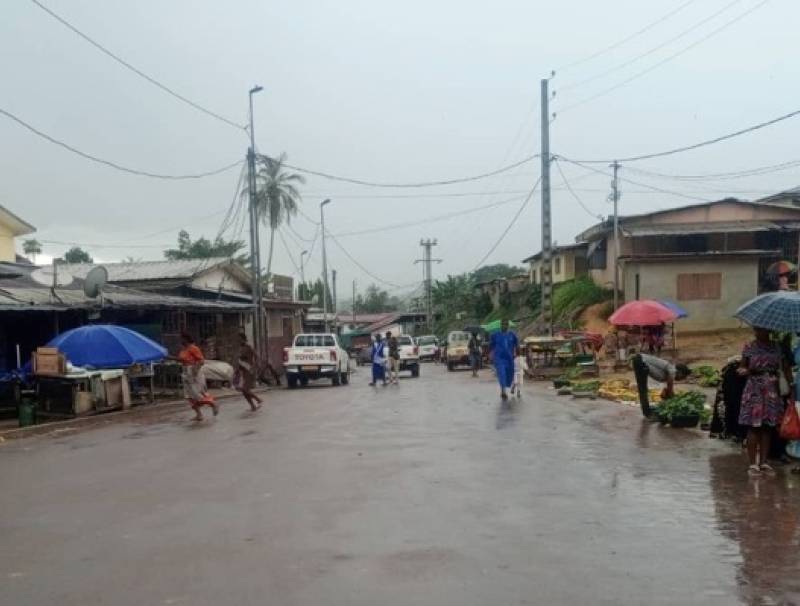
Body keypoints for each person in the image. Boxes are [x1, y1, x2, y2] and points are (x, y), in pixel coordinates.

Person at [738, 327, 791, 477]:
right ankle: (752, 464)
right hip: (754, 388)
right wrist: (743, 370)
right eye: (757, 330)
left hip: (772, 389)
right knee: (753, 426)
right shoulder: (749, 347)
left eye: (762, 330)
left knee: (768, 426)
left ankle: (764, 462)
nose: (759, 332)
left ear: (769, 330)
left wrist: (790, 387)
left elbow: (785, 368)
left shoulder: (777, 347)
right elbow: (742, 366)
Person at [632, 353, 691, 418]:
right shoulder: (673, 370)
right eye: (683, 377)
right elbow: (670, 385)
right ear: (680, 372)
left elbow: (667, 387)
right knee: (643, 390)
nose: (681, 379)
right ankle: (648, 413)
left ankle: (647, 411)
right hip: (641, 361)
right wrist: (673, 398)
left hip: (640, 361)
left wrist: (667, 393)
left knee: (643, 390)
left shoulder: (669, 371)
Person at [178, 332, 218, 421]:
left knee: (198, 393)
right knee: (189, 395)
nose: (180, 341)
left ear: (186, 339)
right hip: (185, 372)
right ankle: (199, 414)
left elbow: (201, 360)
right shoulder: (183, 350)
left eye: (182, 338)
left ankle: (212, 403)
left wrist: (195, 370)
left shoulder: (193, 348)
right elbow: (181, 359)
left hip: (193, 371)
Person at [489, 319, 518, 400]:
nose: (504, 326)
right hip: (499, 358)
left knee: (509, 375)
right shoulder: (495, 335)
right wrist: (490, 354)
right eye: (502, 324)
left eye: (506, 325)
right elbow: (491, 346)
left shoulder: (512, 335)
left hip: (509, 358)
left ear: (508, 326)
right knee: (502, 374)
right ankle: (503, 391)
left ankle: (505, 388)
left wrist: (518, 354)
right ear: (500, 325)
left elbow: (517, 345)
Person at [236, 332, 262, 411]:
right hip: (243, 371)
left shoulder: (249, 347)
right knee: (243, 391)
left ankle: (258, 399)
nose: (238, 341)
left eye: (240, 339)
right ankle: (252, 406)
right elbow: (240, 360)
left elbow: (257, 356)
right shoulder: (240, 348)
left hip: (249, 370)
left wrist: (254, 366)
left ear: (243, 339)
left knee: (245, 389)